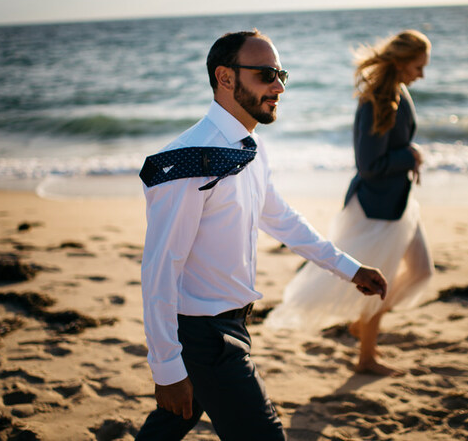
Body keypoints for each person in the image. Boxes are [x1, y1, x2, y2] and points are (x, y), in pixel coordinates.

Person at [135, 29, 388, 441]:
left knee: (171, 425)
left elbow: (281, 219)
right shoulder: (187, 160)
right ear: (226, 77)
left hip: (234, 324)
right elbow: (160, 268)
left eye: (281, 73)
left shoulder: (249, 145)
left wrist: (349, 268)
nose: (279, 86)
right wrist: (166, 367)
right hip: (204, 337)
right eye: (267, 74)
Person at [266, 30, 436, 376]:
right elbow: (369, 166)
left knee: (421, 271)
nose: (422, 74)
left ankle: (363, 325)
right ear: (402, 62)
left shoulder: (399, 92)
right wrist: (409, 154)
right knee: (379, 282)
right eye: (418, 66)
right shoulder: (375, 99)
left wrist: (408, 155)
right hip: (374, 209)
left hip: (399, 204)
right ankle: (366, 357)